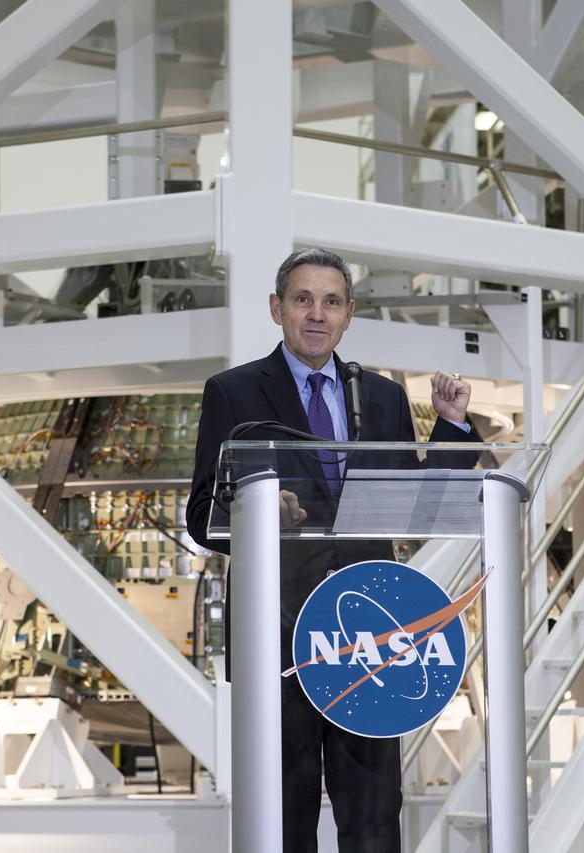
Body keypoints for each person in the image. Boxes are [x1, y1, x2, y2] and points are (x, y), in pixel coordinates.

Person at [186, 247, 480, 853]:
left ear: (348, 314)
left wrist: (450, 427)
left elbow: (414, 509)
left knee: (373, 816)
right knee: (284, 816)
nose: (316, 314)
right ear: (277, 309)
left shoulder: (381, 398)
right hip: (281, 637)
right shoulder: (233, 393)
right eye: (302, 300)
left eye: (331, 302)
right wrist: (258, 515)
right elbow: (200, 516)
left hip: (370, 638)